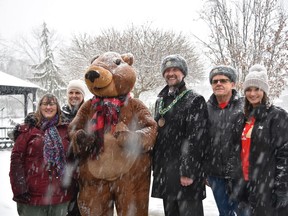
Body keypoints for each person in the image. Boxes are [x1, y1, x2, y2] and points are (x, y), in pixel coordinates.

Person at [151, 54, 209, 216]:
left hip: (185, 173)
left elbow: (196, 139)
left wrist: (188, 171)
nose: (171, 73)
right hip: (166, 172)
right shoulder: (161, 100)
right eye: (167, 70)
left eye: (175, 69)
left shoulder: (194, 100)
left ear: (183, 73)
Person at [9, 93, 74, 216]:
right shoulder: (28, 129)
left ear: (57, 107)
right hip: (32, 198)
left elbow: (72, 159)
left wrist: (71, 185)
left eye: (52, 104)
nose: (48, 107)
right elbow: (17, 160)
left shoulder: (66, 129)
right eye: (45, 104)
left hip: (59, 197)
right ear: (39, 106)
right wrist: (19, 189)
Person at [237, 64, 288, 216]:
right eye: (248, 89)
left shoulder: (277, 116)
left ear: (264, 91)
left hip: (268, 186)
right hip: (247, 184)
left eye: (257, 89)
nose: (252, 93)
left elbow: (284, 154)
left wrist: (282, 188)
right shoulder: (245, 116)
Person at [205, 65, 244, 216]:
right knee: (224, 213)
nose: (218, 84)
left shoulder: (245, 106)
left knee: (244, 213)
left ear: (232, 84)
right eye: (215, 81)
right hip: (215, 174)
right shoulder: (205, 108)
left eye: (223, 80)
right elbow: (202, 141)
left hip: (239, 174)